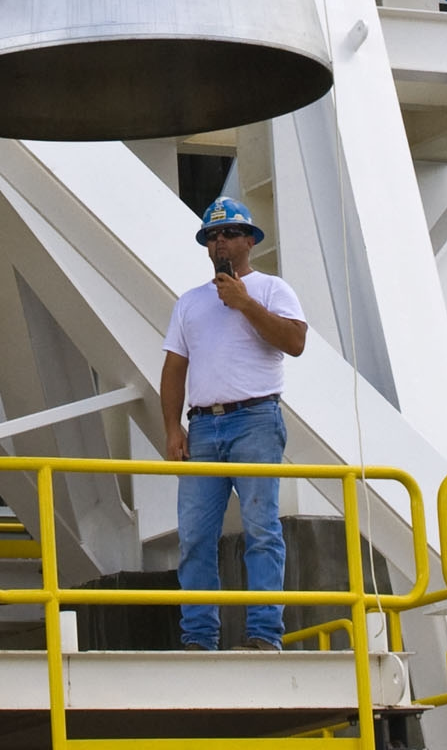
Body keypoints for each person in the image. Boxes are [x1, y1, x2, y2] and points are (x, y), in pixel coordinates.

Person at [158, 197, 308, 653]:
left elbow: (295, 342)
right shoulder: (189, 303)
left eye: (227, 233)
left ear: (248, 240)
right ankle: (199, 637)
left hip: (256, 419)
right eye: (212, 236)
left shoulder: (272, 289)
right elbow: (173, 369)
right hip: (203, 425)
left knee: (262, 529)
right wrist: (171, 429)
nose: (219, 241)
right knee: (195, 536)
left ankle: (264, 634)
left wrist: (244, 303)